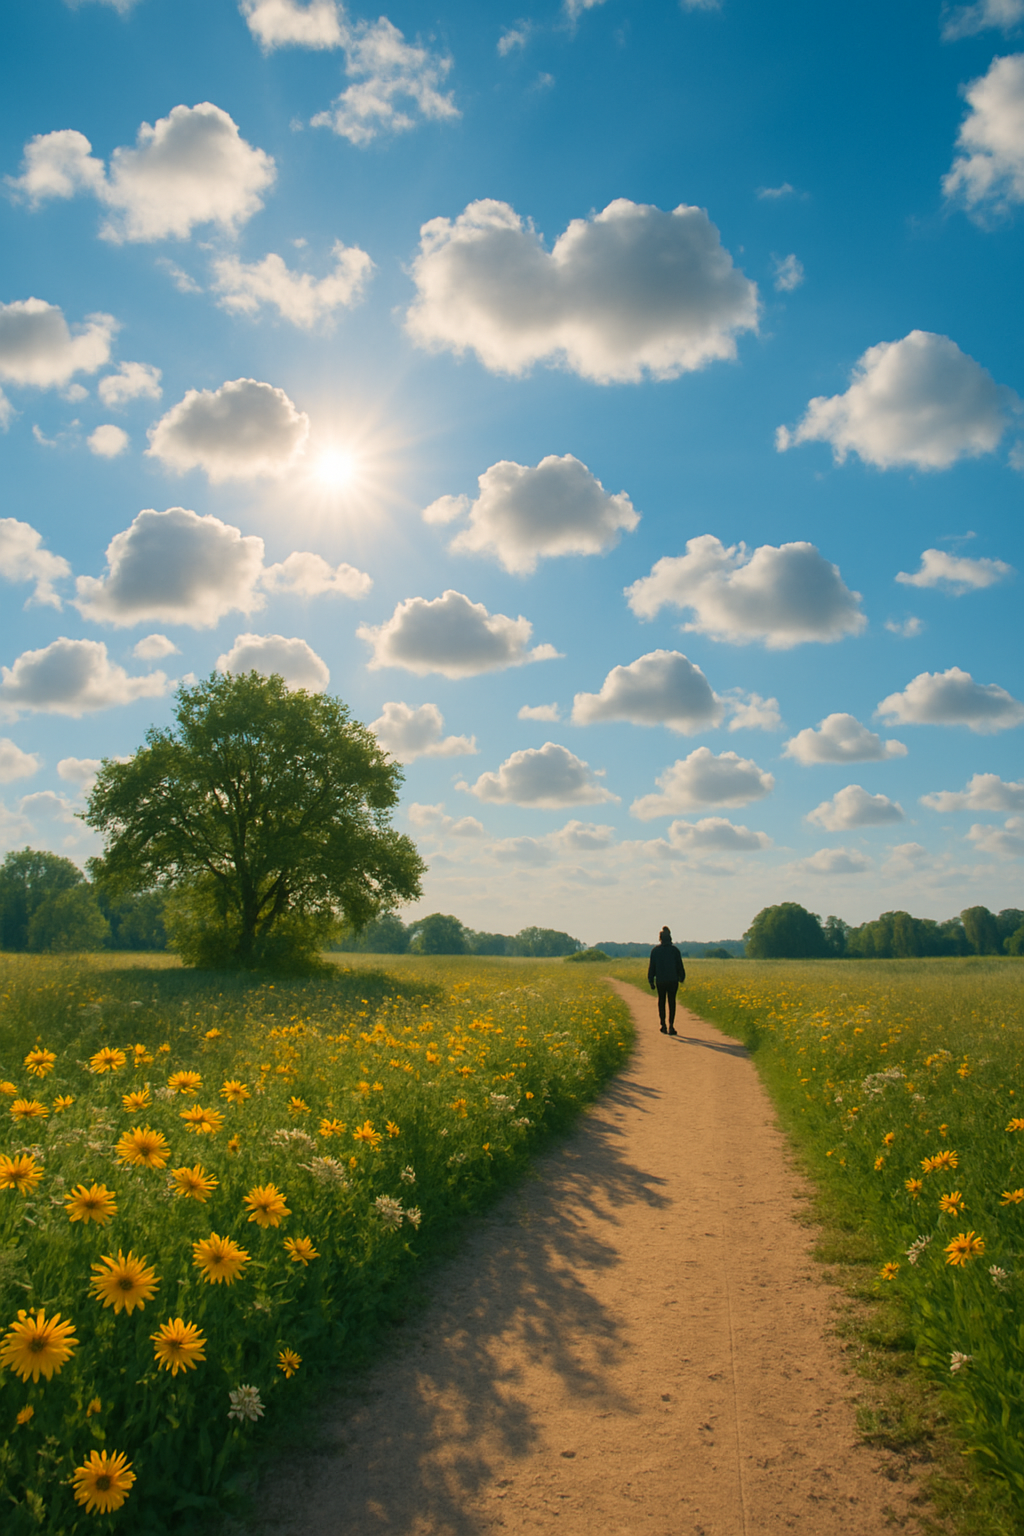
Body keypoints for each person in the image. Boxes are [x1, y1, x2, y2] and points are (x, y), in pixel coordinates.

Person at [648, 925, 686, 1034]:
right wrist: (681, 977)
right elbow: (680, 965)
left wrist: (651, 980)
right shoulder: (675, 951)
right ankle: (671, 1026)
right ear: (670, 937)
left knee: (661, 1002)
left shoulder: (655, 951)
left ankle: (663, 1024)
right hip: (673, 980)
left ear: (660, 938)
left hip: (660, 980)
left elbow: (652, 967)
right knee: (672, 1002)